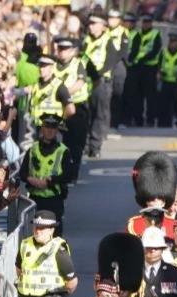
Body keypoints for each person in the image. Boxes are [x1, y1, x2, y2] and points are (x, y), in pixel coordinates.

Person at [18, 114, 74, 231]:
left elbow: (68, 175)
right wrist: (32, 180)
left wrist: (51, 181)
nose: (50, 131)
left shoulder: (63, 151)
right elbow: (23, 173)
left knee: (54, 232)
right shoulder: (33, 149)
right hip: (35, 199)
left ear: (57, 130)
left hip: (54, 199)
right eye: (47, 127)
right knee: (36, 232)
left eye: (53, 128)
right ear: (42, 128)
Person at [54, 37, 90, 180]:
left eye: (65, 50)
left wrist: (64, 93)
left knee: (76, 143)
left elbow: (80, 82)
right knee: (61, 143)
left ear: (72, 51)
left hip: (77, 107)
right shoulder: (53, 66)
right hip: (59, 109)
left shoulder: (78, 64)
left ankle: (73, 173)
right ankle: (61, 171)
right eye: (60, 49)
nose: (62, 53)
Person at [84, 14, 118, 158]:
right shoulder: (85, 40)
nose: (90, 26)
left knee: (99, 115)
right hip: (84, 83)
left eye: (94, 23)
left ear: (103, 26)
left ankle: (95, 146)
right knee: (86, 115)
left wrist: (97, 75)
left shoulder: (108, 40)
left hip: (101, 82)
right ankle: (85, 146)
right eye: (89, 23)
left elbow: (111, 61)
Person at [125, 14, 162, 126]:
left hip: (150, 68)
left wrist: (142, 59)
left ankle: (150, 120)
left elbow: (155, 50)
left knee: (150, 96)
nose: (146, 24)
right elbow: (135, 49)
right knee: (138, 95)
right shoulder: (138, 34)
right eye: (144, 22)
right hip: (138, 68)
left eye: (148, 22)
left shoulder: (155, 34)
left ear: (151, 23)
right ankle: (138, 119)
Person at [28, 55, 74, 129]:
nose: (41, 69)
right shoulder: (36, 84)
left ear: (52, 68)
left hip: (52, 129)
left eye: (44, 66)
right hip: (36, 127)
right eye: (40, 66)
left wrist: (59, 122)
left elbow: (71, 109)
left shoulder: (59, 86)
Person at [106, 10, 131, 130]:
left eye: (114, 18)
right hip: (106, 66)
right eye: (109, 17)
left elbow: (123, 51)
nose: (111, 20)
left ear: (119, 20)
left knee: (118, 94)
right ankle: (107, 122)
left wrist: (112, 61)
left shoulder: (123, 32)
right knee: (106, 96)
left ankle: (117, 122)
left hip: (118, 65)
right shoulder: (104, 30)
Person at [158, 33, 177, 127]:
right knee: (164, 104)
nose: (173, 44)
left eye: (175, 42)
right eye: (171, 42)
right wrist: (159, 73)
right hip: (166, 81)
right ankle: (163, 123)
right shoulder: (164, 52)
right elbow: (158, 65)